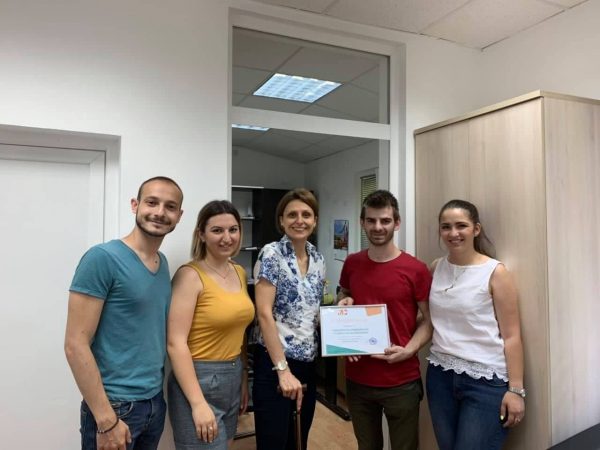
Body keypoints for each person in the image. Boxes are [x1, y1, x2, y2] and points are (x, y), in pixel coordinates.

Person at [65, 176, 184, 450]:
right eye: (152, 202)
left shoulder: (162, 263)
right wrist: (106, 420)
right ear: (135, 205)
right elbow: (75, 344)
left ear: (179, 215)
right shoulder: (102, 258)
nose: (159, 212)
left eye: (170, 206)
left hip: (154, 403)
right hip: (115, 407)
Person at [426, 199, 525, 450]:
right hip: (440, 375)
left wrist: (516, 390)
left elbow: (512, 336)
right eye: (446, 227)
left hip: (485, 382)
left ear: (476, 229)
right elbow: (426, 318)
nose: (453, 233)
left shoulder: (495, 272)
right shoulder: (436, 268)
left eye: (461, 225)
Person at [337, 190, 432, 450]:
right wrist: (344, 300)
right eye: (371, 220)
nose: (378, 227)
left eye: (385, 220)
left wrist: (409, 350)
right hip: (358, 379)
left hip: (401, 381)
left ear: (397, 223)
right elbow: (344, 294)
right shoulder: (352, 263)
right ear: (362, 222)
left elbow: (429, 320)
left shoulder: (416, 269)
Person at [167, 200, 255, 449]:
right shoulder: (189, 276)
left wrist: (242, 377)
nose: (227, 238)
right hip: (199, 379)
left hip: (233, 374)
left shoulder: (238, 271)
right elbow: (175, 343)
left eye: (233, 229)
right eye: (217, 230)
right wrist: (197, 403)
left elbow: (239, 330)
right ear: (201, 234)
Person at [252, 188, 325, 450]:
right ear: (281, 220)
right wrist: (282, 370)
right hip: (275, 363)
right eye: (292, 214)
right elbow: (263, 313)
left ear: (315, 220)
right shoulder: (272, 254)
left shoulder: (318, 258)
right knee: (274, 442)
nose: (299, 220)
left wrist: (341, 314)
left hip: (307, 364)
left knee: (298, 440)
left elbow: (311, 311)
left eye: (306, 214)